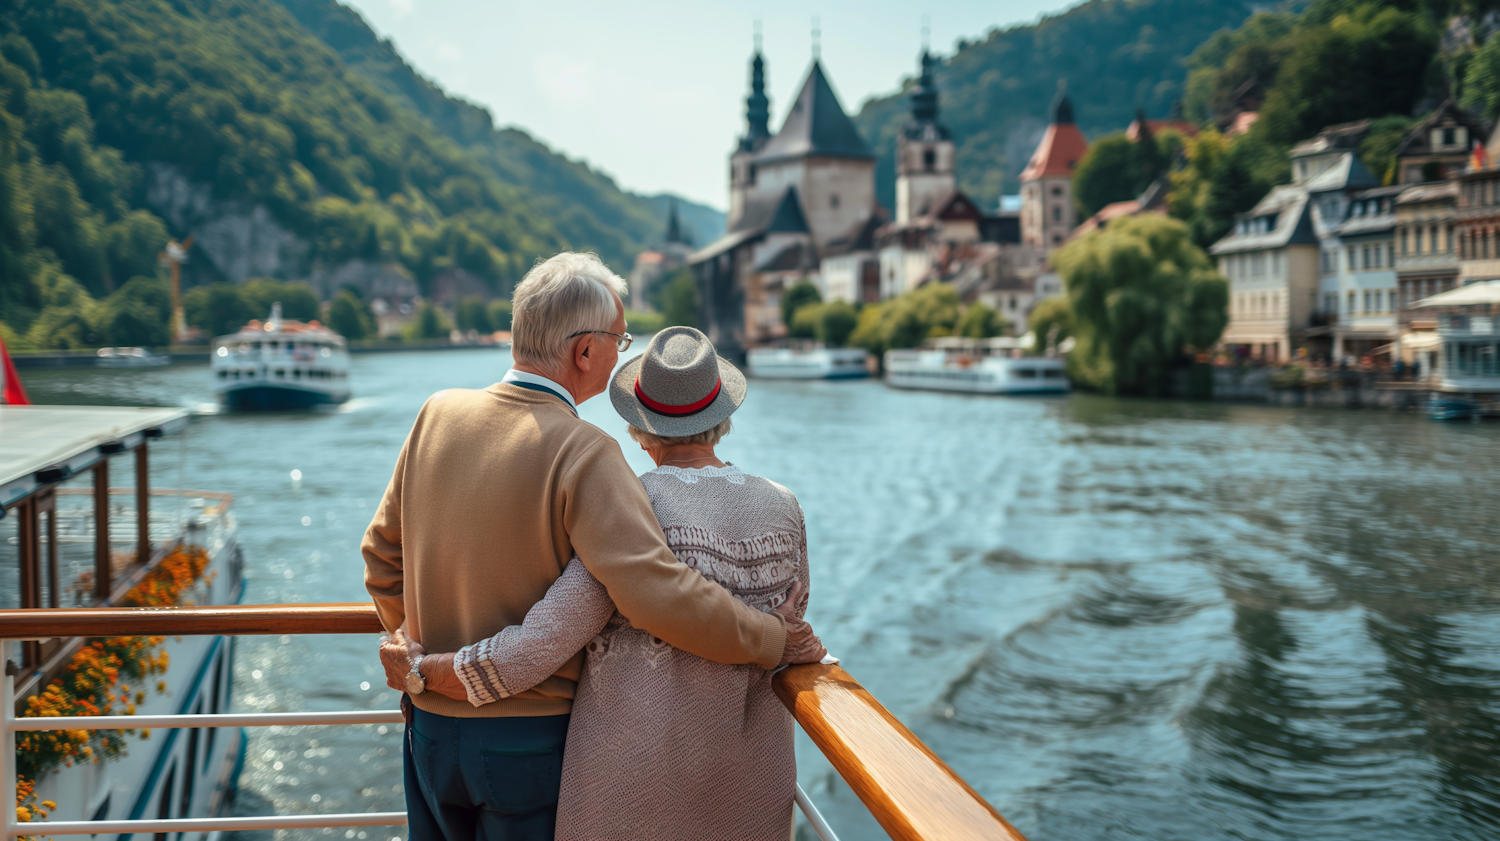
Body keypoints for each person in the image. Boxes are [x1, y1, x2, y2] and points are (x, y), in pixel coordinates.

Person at [362, 254, 826, 840]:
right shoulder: (586, 451)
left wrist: (419, 658)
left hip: (428, 725)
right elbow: (654, 593)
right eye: (619, 338)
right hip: (527, 742)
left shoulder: (436, 413)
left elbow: (380, 557)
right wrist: (772, 638)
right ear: (585, 352)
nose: (619, 351)